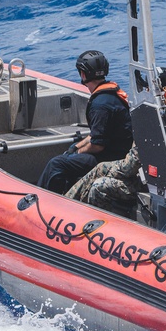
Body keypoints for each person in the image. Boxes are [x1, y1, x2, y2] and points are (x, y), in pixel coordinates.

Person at [38, 50, 134, 194]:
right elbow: (96, 134)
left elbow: (97, 145)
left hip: (112, 158)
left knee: (56, 164)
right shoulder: (110, 95)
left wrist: (77, 153)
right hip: (117, 150)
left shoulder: (100, 105)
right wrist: (75, 147)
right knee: (69, 152)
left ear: (83, 74)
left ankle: (45, 199)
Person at [66, 145, 141, 219]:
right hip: (139, 178)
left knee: (99, 185)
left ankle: (94, 222)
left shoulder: (148, 134)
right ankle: (67, 204)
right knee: (100, 168)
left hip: (143, 186)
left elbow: (129, 168)